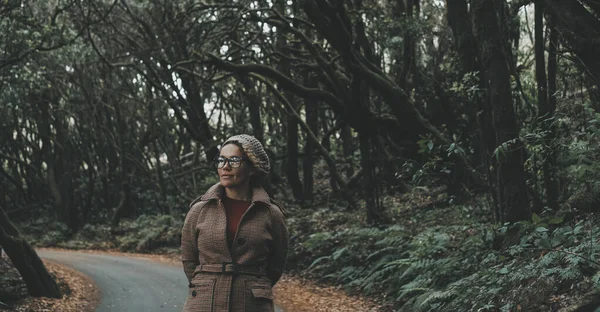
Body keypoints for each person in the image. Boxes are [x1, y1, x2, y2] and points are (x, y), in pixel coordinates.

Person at [180, 134, 288, 312]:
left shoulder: (271, 214)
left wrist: (252, 284)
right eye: (221, 160)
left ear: (252, 168)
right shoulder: (199, 210)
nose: (225, 167)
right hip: (204, 302)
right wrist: (207, 283)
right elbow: (189, 259)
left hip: (252, 303)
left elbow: (276, 264)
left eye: (234, 160)